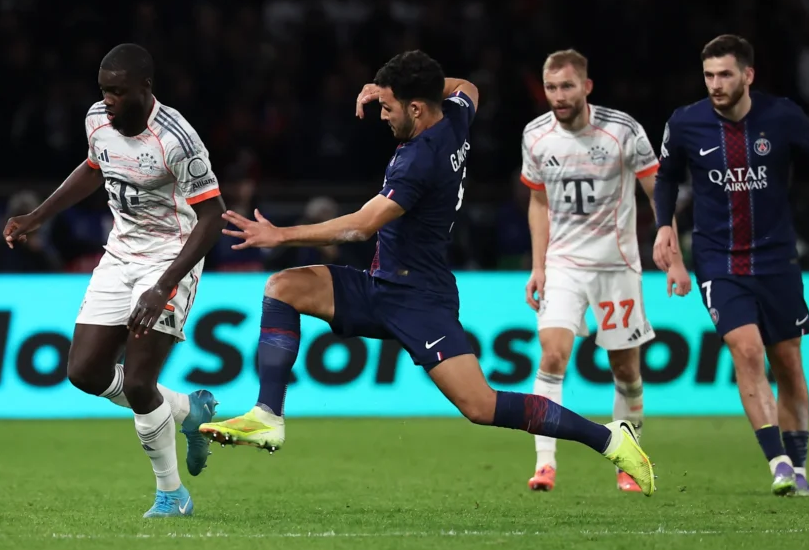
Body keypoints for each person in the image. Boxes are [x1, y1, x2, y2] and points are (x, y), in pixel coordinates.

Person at [198, 50, 656, 496]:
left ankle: (610, 439)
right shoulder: (454, 115)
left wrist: (281, 234)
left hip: (420, 299)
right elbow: (467, 86)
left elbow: (361, 226)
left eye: (388, 107)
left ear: (416, 108)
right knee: (283, 287)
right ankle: (268, 416)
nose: (382, 115)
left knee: (481, 406)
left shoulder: (420, 160)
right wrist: (387, 86)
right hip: (382, 284)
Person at [653, 34, 809, 496]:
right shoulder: (685, 122)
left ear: (748, 75)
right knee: (746, 351)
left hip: (776, 258)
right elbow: (666, 178)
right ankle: (777, 463)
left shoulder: (781, 116)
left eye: (724, 74)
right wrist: (664, 228)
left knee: (788, 364)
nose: (715, 84)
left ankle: (799, 468)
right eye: (708, 75)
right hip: (719, 259)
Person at [2, 43, 226, 517]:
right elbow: (93, 167)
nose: (109, 100)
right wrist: (38, 216)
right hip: (120, 253)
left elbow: (212, 218)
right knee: (84, 373)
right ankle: (189, 411)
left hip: (170, 258)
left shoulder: (178, 140)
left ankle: (172, 495)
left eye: (119, 92)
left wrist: (164, 285)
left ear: (146, 88)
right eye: (104, 90)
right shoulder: (96, 119)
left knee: (141, 382)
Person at [520, 49, 691, 493]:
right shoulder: (536, 135)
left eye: (567, 86)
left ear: (587, 87)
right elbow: (538, 202)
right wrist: (538, 266)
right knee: (552, 356)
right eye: (551, 87)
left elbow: (657, 190)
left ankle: (627, 461)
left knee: (626, 371)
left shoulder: (621, 130)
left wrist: (674, 257)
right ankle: (545, 464)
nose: (559, 95)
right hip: (563, 264)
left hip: (617, 266)